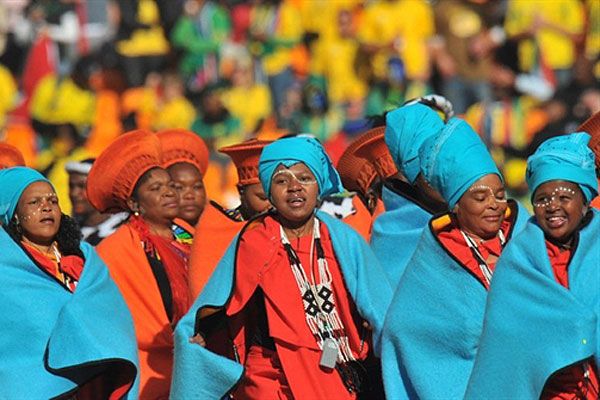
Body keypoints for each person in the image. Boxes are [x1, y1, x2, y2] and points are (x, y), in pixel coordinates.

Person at [171, 136, 392, 399]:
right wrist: (202, 332)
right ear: (269, 192)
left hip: (340, 371)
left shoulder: (343, 238)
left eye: (305, 179)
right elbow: (221, 301)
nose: (294, 188)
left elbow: (379, 308)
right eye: (281, 181)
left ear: (318, 187)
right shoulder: (253, 240)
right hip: (272, 375)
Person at [381, 118, 528, 399]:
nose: (494, 204)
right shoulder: (436, 253)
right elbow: (404, 327)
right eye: (480, 198)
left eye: (500, 195)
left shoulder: (525, 233)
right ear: (456, 205)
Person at [465, 132, 599, 399]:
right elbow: (503, 350)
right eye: (542, 199)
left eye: (564, 197)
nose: (553, 207)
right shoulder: (518, 261)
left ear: (585, 202)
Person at [0, 167, 138, 398]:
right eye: (34, 202)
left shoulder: (86, 257)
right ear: (14, 214)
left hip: (95, 385)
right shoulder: (5, 270)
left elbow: (114, 315)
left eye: (52, 201)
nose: (46, 207)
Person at [88, 130, 191, 399]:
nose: (168, 192)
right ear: (135, 203)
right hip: (145, 373)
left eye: (170, 185)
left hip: (195, 365)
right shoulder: (114, 250)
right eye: (155, 189)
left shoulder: (190, 235)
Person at [369, 101, 451, 288]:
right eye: (427, 164)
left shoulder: (476, 212)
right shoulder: (391, 236)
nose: (441, 173)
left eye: (446, 157)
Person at [188, 138, 272, 298]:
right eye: (262, 198)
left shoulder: (285, 225)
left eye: (275, 197)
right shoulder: (217, 228)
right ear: (241, 192)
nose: (271, 205)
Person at [65, 158, 127, 245]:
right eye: (71, 186)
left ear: (101, 189)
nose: (74, 193)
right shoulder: (67, 233)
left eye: (82, 186)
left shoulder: (123, 232)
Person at [157, 128, 209, 230]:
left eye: (197, 187)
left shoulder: (224, 231)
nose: (189, 196)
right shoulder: (143, 236)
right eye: (179, 188)